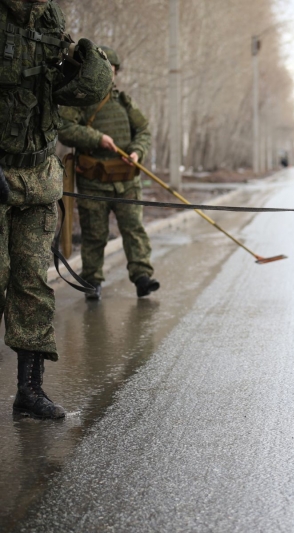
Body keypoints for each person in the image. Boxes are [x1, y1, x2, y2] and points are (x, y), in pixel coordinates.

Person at [0, 0, 113, 418]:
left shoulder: (51, 18)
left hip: (40, 177)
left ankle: (29, 393)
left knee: (32, 281)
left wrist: (88, 65)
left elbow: (63, 91)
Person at [58, 46, 160, 301]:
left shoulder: (124, 102)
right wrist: (97, 138)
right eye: (103, 69)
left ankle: (142, 277)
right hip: (94, 181)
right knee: (94, 234)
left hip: (126, 180)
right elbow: (64, 128)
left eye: (111, 70)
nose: (108, 74)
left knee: (134, 229)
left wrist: (137, 152)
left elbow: (144, 131)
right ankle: (92, 281)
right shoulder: (79, 99)